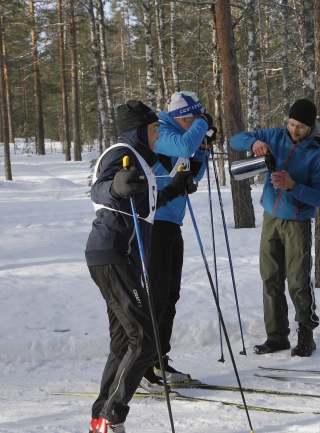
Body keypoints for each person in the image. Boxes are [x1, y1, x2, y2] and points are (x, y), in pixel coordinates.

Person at [86, 100, 197, 433]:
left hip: (123, 256)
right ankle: (111, 416)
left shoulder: (142, 163)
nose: (157, 135)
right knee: (145, 340)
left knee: (124, 342)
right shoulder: (120, 152)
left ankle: (100, 418)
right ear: (138, 130)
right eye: (153, 129)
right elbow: (99, 188)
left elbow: (143, 202)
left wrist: (174, 189)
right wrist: (115, 186)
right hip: (114, 252)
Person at [230, 99, 320, 357]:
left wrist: (293, 186)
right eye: (292, 124)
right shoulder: (274, 135)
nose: (294, 130)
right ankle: (276, 337)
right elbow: (235, 139)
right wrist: (253, 143)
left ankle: (306, 334)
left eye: (300, 127)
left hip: (297, 223)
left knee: (298, 281)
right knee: (270, 279)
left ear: (311, 127)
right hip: (270, 219)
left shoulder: (319, 152)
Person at [141, 91, 217, 389]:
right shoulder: (162, 131)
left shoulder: (184, 132)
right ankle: (144, 365)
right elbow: (185, 144)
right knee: (157, 296)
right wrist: (203, 125)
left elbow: (192, 169)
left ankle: (160, 359)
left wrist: (204, 149)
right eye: (192, 118)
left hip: (172, 222)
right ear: (181, 115)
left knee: (170, 296)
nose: (194, 123)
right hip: (153, 222)